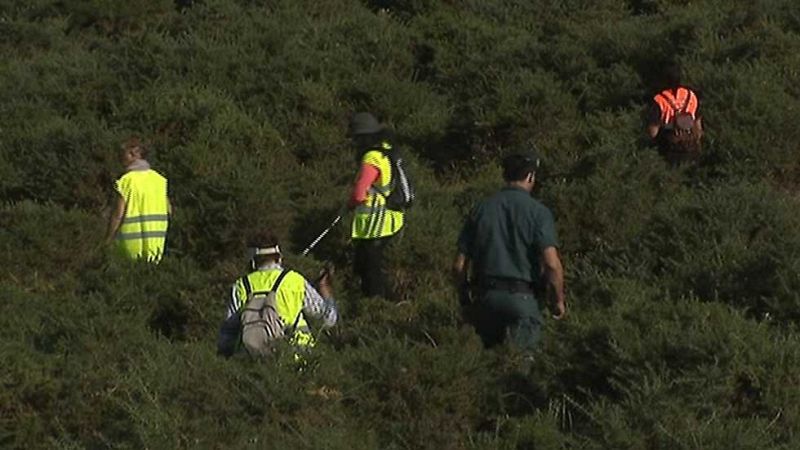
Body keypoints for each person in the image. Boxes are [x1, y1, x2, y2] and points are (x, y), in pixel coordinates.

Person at [453, 152, 566, 352]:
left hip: (485, 298)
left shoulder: (481, 209)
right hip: (523, 299)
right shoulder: (538, 212)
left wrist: (464, 297)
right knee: (521, 366)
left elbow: (459, 265)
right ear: (530, 176)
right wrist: (558, 300)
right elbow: (551, 264)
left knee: (486, 365)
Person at [217, 231, 337, 357]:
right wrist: (324, 287)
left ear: (252, 260)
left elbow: (227, 336)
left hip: (250, 360)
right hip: (295, 358)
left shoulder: (241, 285)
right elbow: (328, 319)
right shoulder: (294, 280)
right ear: (279, 257)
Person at [347, 112, 405, 299]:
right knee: (375, 267)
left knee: (371, 271)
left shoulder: (371, 158)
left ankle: (376, 305)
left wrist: (349, 204)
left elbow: (359, 194)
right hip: (391, 218)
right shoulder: (387, 150)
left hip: (376, 223)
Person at [106, 137, 171, 263]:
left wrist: (108, 239)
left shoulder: (127, 181)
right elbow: (169, 209)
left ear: (132, 154)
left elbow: (118, 215)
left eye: (122, 154)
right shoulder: (159, 180)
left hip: (130, 244)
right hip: (157, 244)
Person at [646, 64, 704, 164]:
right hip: (692, 147)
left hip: (670, 149)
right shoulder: (691, 95)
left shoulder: (659, 100)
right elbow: (698, 126)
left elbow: (653, 132)